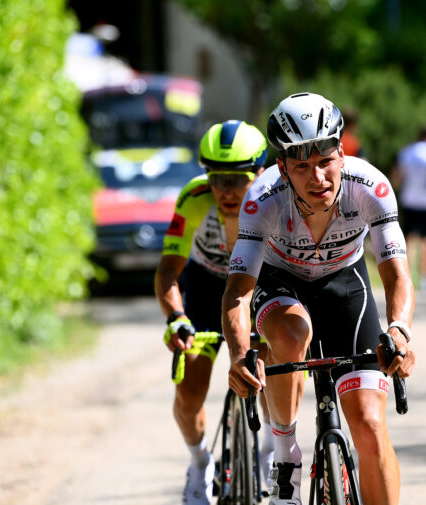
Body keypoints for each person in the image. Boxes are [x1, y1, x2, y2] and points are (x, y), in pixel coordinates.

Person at [221, 92, 416, 505]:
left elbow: (396, 272)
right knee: (292, 334)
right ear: (282, 168)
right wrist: (240, 354)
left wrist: (399, 330)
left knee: (368, 425)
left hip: (345, 283)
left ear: (341, 154)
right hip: (280, 283)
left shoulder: (371, 187)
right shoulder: (261, 199)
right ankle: (284, 454)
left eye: (326, 161)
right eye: (302, 166)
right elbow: (237, 292)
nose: (318, 178)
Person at [154, 120, 273, 505]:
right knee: (189, 394)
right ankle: (200, 462)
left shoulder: (276, 197)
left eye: (237, 179)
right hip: (206, 291)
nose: (225, 189)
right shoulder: (194, 198)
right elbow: (169, 270)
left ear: (258, 172)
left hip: (256, 288)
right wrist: (176, 317)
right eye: (216, 177)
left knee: (280, 364)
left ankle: (272, 451)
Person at [391, 125, 426, 292]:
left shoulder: (406, 152)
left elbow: (397, 176)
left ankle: (407, 275)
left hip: (408, 199)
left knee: (409, 239)